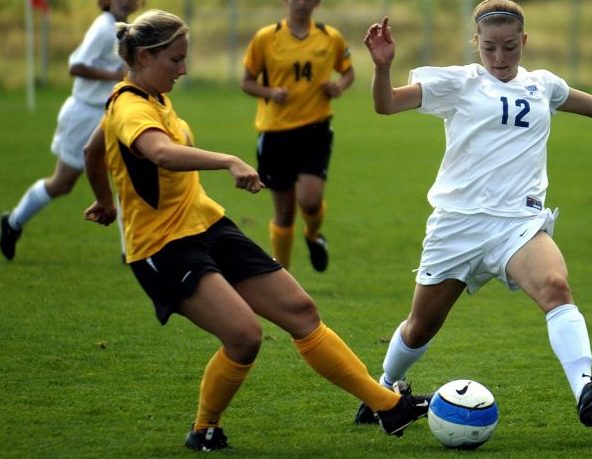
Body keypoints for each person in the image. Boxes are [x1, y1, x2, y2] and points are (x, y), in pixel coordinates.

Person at [82, 9, 429, 452]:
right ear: (146, 57)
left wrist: (104, 199)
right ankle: (205, 428)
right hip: (163, 246)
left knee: (301, 311)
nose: (184, 69)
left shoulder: (147, 98)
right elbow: (161, 153)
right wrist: (228, 160)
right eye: (176, 59)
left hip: (206, 224)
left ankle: (388, 406)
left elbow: (94, 149)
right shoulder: (130, 106)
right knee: (244, 337)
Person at [356, 0, 592, 429]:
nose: (500, 58)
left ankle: (585, 389)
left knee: (556, 287)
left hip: (517, 225)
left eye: (509, 48)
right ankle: (383, 388)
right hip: (458, 224)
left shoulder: (544, 86)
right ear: (475, 44)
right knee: (420, 327)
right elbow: (386, 104)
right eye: (489, 49)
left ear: (524, 41)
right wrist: (383, 66)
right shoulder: (458, 83)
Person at [1, 0, 141, 261]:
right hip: (84, 114)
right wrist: (113, 76)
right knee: (62, 183)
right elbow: (75, 65)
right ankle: (12, 223)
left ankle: (129, 251)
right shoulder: (103, 28)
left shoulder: (127, 29)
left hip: (110, 114)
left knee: (126, 178)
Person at [241, 0, 355, 272]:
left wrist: (337, 86)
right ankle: (283, 276)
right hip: (275, 133)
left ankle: (313, 235)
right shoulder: (266, 38)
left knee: (311, 200)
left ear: (317, 3)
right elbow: (247, 81)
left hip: (315, 130)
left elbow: (348, 72)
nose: (301, 2)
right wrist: (270, 93)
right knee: (284, 213)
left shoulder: (330, 37)